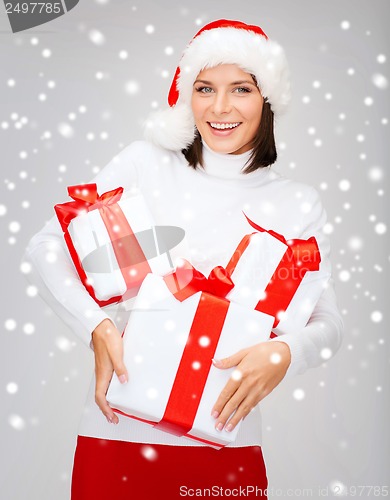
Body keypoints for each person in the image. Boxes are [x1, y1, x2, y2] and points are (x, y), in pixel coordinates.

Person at [23, 19, 343, 499]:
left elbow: (328, 322)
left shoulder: (296, 202)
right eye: (204, 88)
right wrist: (97, 326)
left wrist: (286, 352)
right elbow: (47, 246)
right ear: (185, 94)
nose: (220, 107)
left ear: (267, 98)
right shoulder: (144, 163)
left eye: (241, 89)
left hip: (225, 449)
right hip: (116, 437)